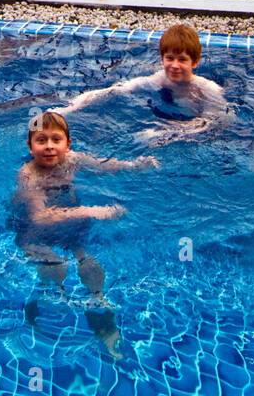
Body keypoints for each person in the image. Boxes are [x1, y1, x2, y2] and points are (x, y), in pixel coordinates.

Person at [13, 110, 158, 357]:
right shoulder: (29, 175)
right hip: (33, 231)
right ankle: (49, 299)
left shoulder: (72, 160)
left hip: (70, 224)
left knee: (88, 261)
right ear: (30, 146)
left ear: (68, 144)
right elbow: (39, 217)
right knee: (56, 266)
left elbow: (103, 165)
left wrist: (134, 166)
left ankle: (97, 299)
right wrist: (92, 211)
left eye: (56, 140)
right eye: (41, 140)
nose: (49, 147)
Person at [59, 23, 230, 144]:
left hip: (198, 139)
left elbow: (210, 124)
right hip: (170, 124)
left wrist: (163, 133)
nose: (175, 65)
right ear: (162, 58)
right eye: (169, 58)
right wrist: (69, 108)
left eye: (182, 60)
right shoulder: (159, 79)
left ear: (195, 62)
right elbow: (116, 90)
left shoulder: (207, 89)